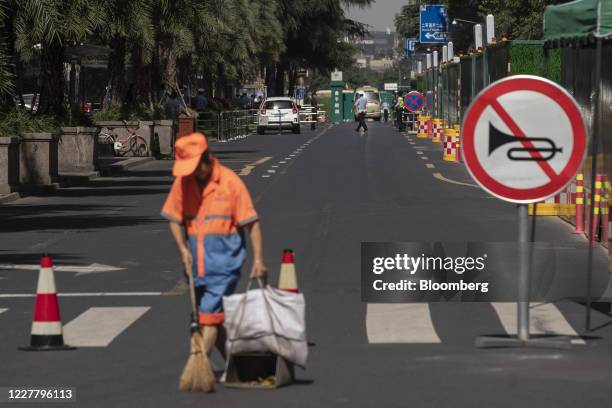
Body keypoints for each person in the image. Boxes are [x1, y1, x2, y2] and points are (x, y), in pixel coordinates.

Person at [161, 133, 268, 361]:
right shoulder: (184, 183)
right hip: (196, 267)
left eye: (194, 167)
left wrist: (259, 260)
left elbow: (252, 224)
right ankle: (237, 363)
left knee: (208, 315)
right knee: (210, 318)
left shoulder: (230, 183)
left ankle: (199, 363)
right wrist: (182, 249)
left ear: (207, 158)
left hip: (225, 266)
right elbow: (172, 217)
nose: (190, 173)